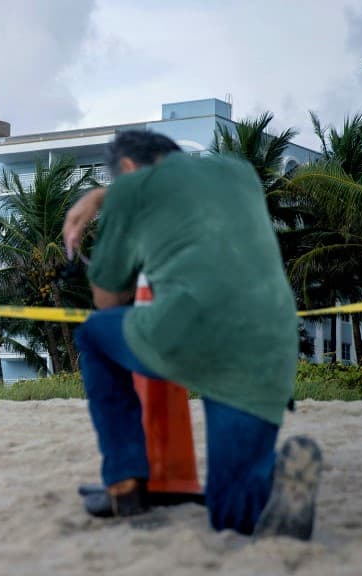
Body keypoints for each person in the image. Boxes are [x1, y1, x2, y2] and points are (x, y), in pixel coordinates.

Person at [62, 130, 322, 540]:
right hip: (271, 344)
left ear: (127, 168)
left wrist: (104, 208)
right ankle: (271, 492)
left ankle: (125, 485)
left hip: (195, 334)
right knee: (231, 510)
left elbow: (108, 299)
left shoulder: (132, 188)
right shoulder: (238, 172)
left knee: (96, 335)